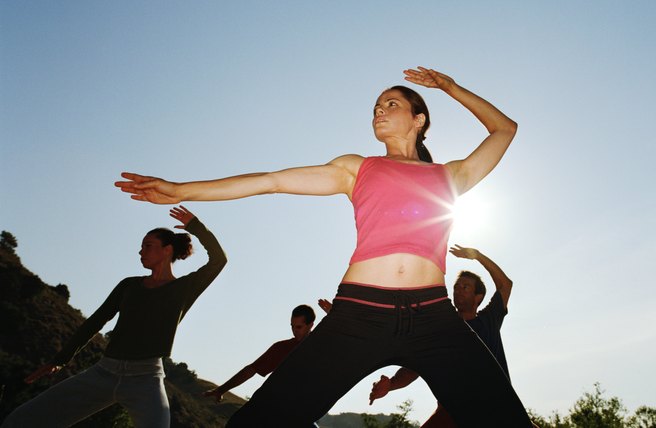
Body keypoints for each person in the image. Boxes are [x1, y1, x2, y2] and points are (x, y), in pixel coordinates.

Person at [115, 66, 533, 427]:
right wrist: (179, 189)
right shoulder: (356, 168)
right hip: (358, 315)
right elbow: (271, 180)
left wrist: (450, 86)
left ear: (419, 119)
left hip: (434, 319)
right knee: (262, 421)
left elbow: (505, 129)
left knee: (504, 421)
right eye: (375, 107)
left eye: (390, 104)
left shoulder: (451, 176)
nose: (379, 111)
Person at [1, 206, 227, 428]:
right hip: (103, 373)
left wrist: (195, 226)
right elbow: (96, 321)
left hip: (146, 379)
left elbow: (219, 259)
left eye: (148, 246)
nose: (141, 252)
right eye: (140, 247)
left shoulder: (184, 288)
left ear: (167, 250)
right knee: (20, 420)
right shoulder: (128, 285)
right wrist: (60, 359)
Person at [368, 244, 517, 427]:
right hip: (454, 412)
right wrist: (391, 384)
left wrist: (477, 256)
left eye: (465, 287)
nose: (458, 290)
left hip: (497, 408)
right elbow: (412, 369)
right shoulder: (441, 332)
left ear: (478, 297)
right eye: (456, 286)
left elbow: (505, 285)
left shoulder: (488, 321)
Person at [203, 304, 317, 403]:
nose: (294, 331)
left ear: (310, 325)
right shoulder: (281, 348)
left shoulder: (323, 346)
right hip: (277, 405)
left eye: (299, 327)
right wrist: (221, 390)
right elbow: (251, 370)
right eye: (292, 326)